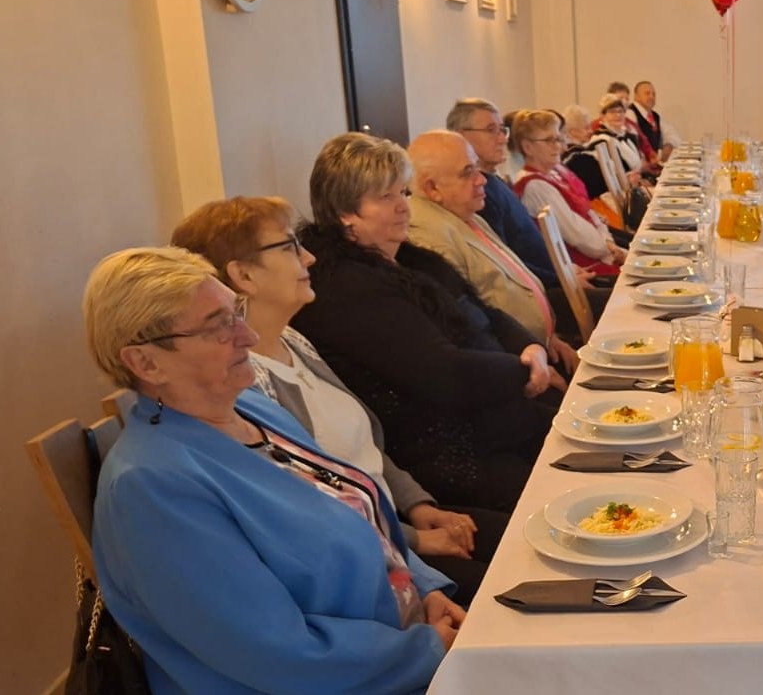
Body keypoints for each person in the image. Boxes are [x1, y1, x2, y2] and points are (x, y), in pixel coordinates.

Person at [85, 247, 458, 692]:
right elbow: (274, 653)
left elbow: (356, 513)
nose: (247, 335)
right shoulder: (149, 488)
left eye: (236, 312)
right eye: (218, 326)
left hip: (398, 648)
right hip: (355, 678)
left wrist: (426, 590)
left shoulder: (253, 408)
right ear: (146, 362)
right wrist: (425, 649)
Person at [170, 197, 506, 608]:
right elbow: (314, 502)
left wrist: (416, 503)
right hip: (372, 556)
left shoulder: (293, 339)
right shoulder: (242, 385)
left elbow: (361, 438)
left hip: (392, 522)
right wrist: (414, 539)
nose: (309, 257)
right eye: (289, 246)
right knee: (521, 585)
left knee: (528, 535)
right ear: (244, 275)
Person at [292, 133, 558, 512]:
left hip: (498, 414)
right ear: (345, 211)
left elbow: (488, 314)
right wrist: (525, 368)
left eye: (403, 192)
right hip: (451, 452)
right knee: (576, 487)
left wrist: (532, 348)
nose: (403, 206)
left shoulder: (409, 259)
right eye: (385, 197)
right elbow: (444, 373)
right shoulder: (346, 286)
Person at [406, 130, 581, 368]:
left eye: (477, 168)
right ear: (432, 188)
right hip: (518, 365)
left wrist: (550, 339)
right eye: (468, 172)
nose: (482, 180)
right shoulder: (429, 236)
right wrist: (534, 364)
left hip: (537, 350)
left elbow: (511, 284)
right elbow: (473, 328)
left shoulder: (465, 214)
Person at [446, 98, 561, 291]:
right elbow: (505, 262)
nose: (502, 139)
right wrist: (561, 280)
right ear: (461, 137)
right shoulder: (476, 192)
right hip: (540, 291)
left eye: (502, 130)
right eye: (491, 130)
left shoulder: (494, 180)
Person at [511, 111, 628, 278]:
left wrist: (608, 240)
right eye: (549, 140)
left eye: (558, 139)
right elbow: (576, 233)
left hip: (602, 251)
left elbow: (588, 211)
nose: (557, 146)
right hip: (585, 268)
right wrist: (609, 250)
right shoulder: (535, 185)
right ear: (527, 147)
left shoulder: (557, 170)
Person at [594, 94, 653, 180]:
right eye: (612, 112)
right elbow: (614, 174)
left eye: (620, 111)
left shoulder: (628, 135)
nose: (618, 115)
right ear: (602, 116)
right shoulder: (601, 140)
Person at [629, 80, 680, 160]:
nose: (651, 97)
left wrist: (669, 145)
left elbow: (671, 133)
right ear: (636, 96)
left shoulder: (654, 116)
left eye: (653, 94)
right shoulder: (630, 114)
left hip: (655, 162)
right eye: (647, 93)